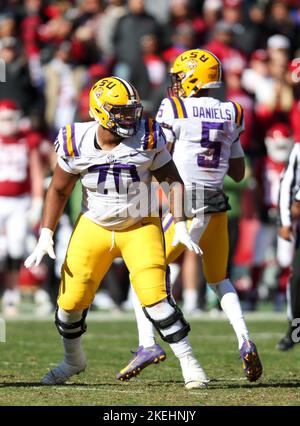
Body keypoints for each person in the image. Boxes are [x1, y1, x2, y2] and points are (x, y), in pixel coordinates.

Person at [24, 76, 209, 389]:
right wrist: (46, 233)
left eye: (131, 110)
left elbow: (172, 180)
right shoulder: (75, 139)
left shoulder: (148, 135)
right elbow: (58, 188)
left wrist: (179, 223)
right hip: (94, 225)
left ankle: (190, 363)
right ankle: (73, 361)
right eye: (120, 111)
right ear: (99, 111)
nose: (129, 117)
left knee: (156, 297)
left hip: (140, 224)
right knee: (69, 304)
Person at [118, 49, 263, 383]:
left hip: (187, 204)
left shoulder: (175, 107)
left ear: (193, 77)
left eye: (180, 75)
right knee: (219, 279)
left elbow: (157, 155)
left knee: (145, 274)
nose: (176, 82)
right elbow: (239, 172)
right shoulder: (233, 110)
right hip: (217, 203)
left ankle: (147, 343)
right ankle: (244, 338)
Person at [0, 99, 44, 316]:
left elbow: (36, 172)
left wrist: (37, 201)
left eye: (11, 118)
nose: (7, 123)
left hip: (20, 201)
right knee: (1, 250)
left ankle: (11, 294)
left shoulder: (28, 140)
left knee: (16, 247)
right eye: (4, 119)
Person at [277, 141, 300, 350]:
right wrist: (284, 221)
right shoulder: (298, 149)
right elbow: (286, 185)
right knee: (297, 279)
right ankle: (294, 331)